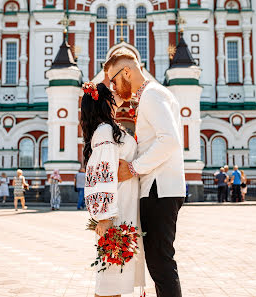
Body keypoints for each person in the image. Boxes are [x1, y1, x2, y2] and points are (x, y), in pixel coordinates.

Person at [107, 49, 185, 297]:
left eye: (114, 80)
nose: (114, 87)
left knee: (161, 263)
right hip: (160, 187)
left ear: (127, 72)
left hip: (158, 189)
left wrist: (131, 168)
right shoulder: (155, 95)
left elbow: (169, 140)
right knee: (159, 262)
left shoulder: (152, 95)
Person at [81, 81, 145, 296]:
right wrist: (105, 216)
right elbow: (101, 175)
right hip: (115, 211)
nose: (116, 94)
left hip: (123, 204)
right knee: (110, 274)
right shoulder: (106, 131)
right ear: (104, 103)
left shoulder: (109, 129)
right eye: (111, 94)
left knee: (117, 272)